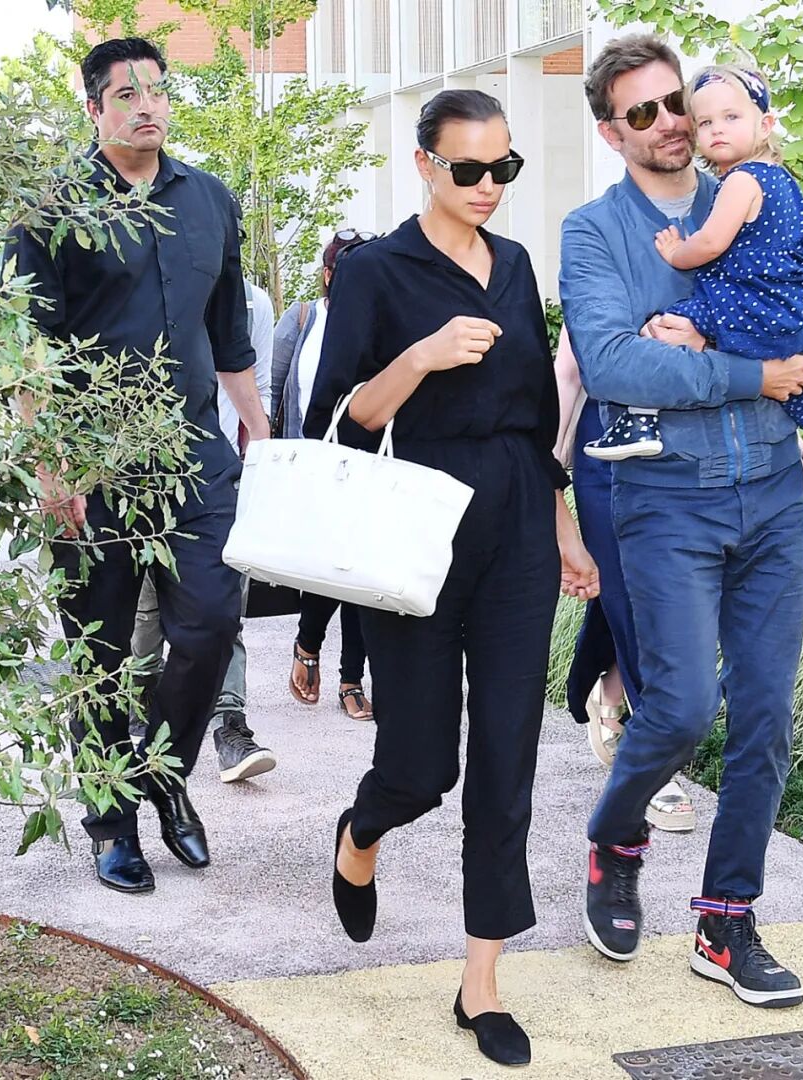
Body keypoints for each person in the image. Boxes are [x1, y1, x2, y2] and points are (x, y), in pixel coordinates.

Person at [305, 90, 599, 1067]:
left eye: (502, 168)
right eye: (467, 169)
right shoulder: (375, 272)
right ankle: (361, 833)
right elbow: (338, 419)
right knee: (422, 764)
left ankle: (482, 985)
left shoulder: (513, 265)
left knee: (508, 755)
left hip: (516, 521)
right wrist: (421, 359)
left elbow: (532, 415)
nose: (487, 187)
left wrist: (563, 527)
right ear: (424, 164)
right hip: (417, 523)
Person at [560, 34, 803, 1007]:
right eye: (642, 111)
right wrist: (755, 372)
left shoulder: (770, 193)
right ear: (613, 133)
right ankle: (616, 836)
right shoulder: (595, 233)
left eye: (677, 100)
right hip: (666, 500)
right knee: (681, 708)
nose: (672, 122)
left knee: (765, 716)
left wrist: (716, 350)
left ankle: (727, 922)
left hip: (772, 495)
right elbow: (616, 365)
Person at [6, 37, 270, 893]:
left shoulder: (211, 200)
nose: (147, 105)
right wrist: (51, 465)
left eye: (157, 90)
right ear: (94, 109)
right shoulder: (51, 208)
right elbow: (26, 350)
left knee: (210, 623)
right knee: (100, 653)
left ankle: (161, 773)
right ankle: (111, 823)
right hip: (89, 465)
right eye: (126, 94)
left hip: (194, 458)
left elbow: (229, 338)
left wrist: (261, 434)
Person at [585, 64, 803, 494]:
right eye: (705, 122)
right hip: (790, 313)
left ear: (765, 124)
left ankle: (640, 421)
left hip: (745, 306)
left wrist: (677, 253)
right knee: (794, 383)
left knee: (663, 328)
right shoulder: (786, 183)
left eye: (731, 118)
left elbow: (711, 242)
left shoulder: (740, 180)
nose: (716, 130)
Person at [131, 278, 279, 784]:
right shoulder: (144, 278)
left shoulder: (252, 301)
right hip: (141, 472)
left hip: (218, 475)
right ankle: (140, 701)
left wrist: (259, 462)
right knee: (146, 610)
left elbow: (255, 383)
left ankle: (229, 726)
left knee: (222, 611)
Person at [554, 327, 695, 831]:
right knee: (629, 594)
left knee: (655, 595)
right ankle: (654, 763)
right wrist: (548, 472)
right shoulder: (601, 283)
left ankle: (610, 686)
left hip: (691, 446)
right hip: (607, 450)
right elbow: (569, 373)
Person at [272, 230, 375, 720]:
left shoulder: (384, 321)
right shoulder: (303, 319)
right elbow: (274, 389)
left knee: (361, 572)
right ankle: (307, 646)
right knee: (326, 567)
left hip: (372, 463)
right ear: (329, 275)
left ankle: (351, 679)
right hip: (315, 462)